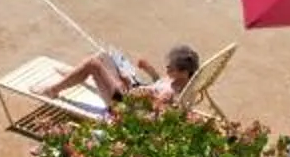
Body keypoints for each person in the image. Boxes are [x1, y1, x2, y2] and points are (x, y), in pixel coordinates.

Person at [48, 43, 200, 116]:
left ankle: (53, 90)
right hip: (130, 93)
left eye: (171, 68)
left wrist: (138, 92)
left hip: (123, 106)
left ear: (184, 72)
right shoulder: (182, 82)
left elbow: (150, 113)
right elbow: (159, 82)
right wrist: (150, 70)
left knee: (93, 64)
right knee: (103, 56)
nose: (167, 68)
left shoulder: (170, 95)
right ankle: (74, 75)